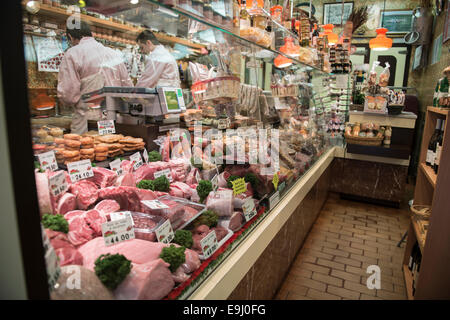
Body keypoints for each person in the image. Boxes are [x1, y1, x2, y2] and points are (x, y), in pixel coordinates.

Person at [57, 20, 132, 134]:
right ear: (90, 33)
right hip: (114, 119)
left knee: (90, 150)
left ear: (70, 37)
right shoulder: (114, 54)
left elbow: (68, 94)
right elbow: (128, 88)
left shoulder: (72, 53)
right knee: (113, 148)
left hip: (88, 122)